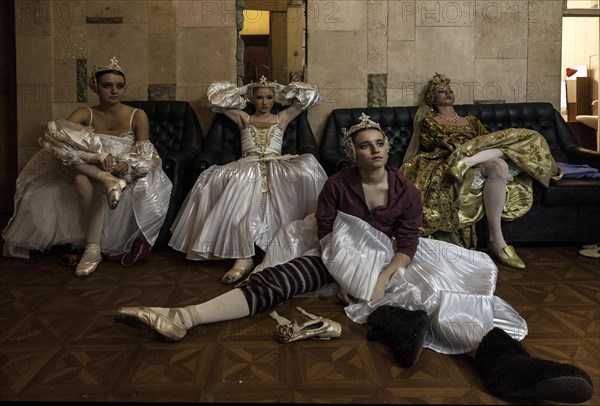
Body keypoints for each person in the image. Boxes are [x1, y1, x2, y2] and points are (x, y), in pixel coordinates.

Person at [115, 113, 592, 404]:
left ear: (387, 148)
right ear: (353, 152)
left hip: (395, 257)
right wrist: (343, 274)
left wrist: (383, 276)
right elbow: (326, 233)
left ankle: (511, 368)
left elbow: (408, 241)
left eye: (381, 143)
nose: (375, 150)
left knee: (434, 295)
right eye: (365, 145)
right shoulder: (337, 185)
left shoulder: (406, 188)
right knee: (283, 278)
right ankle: (183, 316)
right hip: (337, 251)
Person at [2, 57, 172, 276]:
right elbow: (57, 142)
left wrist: (126, 165)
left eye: (119, 86)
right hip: (89, 168)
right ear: (96, 88)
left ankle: (95, 239)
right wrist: (97, 157)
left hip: (122, 170)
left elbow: (146, 155)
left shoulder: (137, 115)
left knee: (84, 176)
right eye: (107, 85)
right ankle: (93, 248)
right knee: (79, 173)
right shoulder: (85, 113)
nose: (114, 91)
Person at [168, 76, 327, 284]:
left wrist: (281, 89)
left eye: (269, 97)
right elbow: (214, 97)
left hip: (277, 164)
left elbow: (310, 95)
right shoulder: (243, 118)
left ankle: (279, 251)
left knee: (305, 173)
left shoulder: (283, 118)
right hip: (247, 165)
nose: (264, 102)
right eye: (259, 97)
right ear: (252, 98)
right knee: (235, 189)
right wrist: (245, 90)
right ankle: (243, 257)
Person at [400, 73, 563, 270]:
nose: (447, 93)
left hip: (477, 157)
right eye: (441, 91)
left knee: (505, 161)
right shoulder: (430, 122)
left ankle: (495, 239)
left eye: (449, 90)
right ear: (432, 98)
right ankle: (498, 241)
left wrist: (476, 153)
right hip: (451, 157)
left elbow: (488, 142)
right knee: (504, 155)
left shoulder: (471, 120)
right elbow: (436, 145)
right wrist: (464, 150)